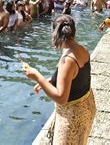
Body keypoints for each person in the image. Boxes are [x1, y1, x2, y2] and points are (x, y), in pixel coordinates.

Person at [24, 15, 95, 144]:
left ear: (55, 33)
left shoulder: (67, 60)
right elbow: (75, 76)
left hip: (72, 115)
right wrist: (49, 81)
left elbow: (62, 98)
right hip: (87, 106)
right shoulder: (82, 49)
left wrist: (38, 77)